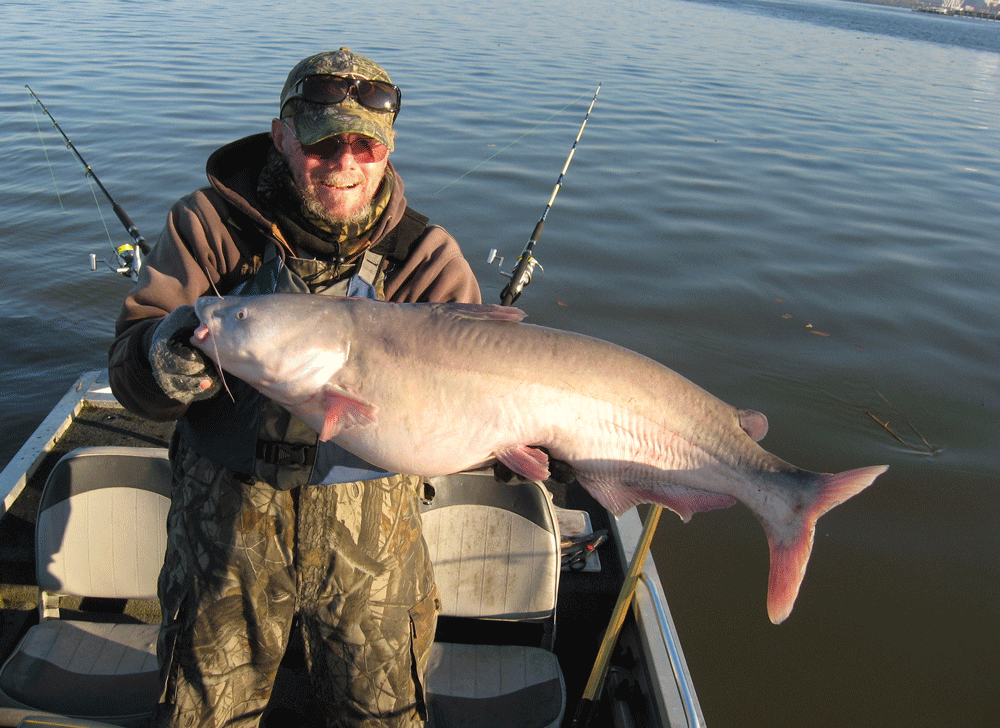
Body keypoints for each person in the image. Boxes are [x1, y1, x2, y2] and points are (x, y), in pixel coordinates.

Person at [108, 48, 481, 728]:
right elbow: (132, 363)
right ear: (281, 136)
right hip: (224, 535)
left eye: (366, 144)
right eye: (321, 142)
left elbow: (476, 429)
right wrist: (161, 357)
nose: (346, 162)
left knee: (384, 717)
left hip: (375, 551)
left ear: (387, 148)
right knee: (204, 714)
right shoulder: (209, 226)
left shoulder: (425, 258)